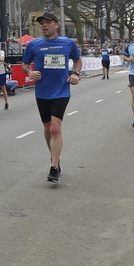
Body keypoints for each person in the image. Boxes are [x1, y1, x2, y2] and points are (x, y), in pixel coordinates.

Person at [22, 13, 81, 183]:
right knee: (47, 129)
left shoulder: (68, 43)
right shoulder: (34, 44)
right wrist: (30, 72)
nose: (44, 25)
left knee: (55, 128)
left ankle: (54, 167)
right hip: (42, 92)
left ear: (57, 24)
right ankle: (55, 156)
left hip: (61, 91)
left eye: (48, 22)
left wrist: (75, 73)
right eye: (42, 23)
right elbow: (25, 65)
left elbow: (77, 60)